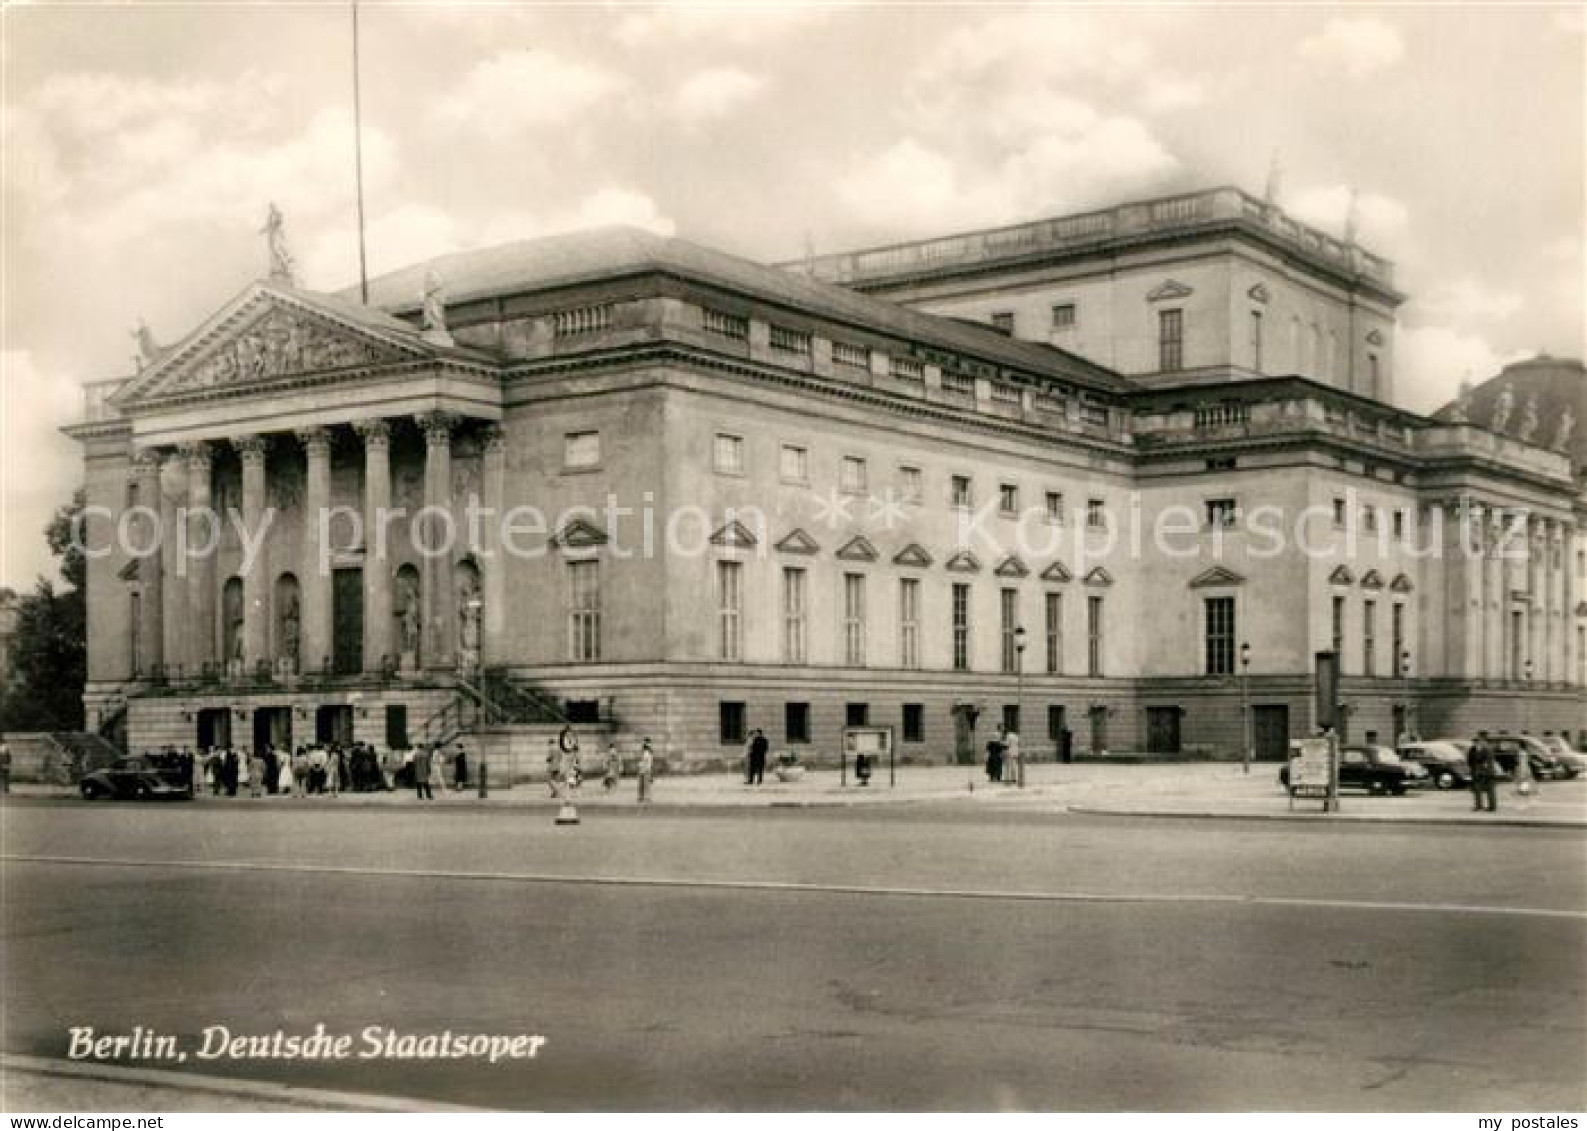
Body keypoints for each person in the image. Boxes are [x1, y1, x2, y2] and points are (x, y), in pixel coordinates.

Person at [1467, 731, 1497, 813]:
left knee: (1486, 789)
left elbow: (1482, 759)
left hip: (1485, 772)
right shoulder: (1488, 747)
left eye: (1479, 738)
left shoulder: (1485, 748)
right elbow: (1470, 760)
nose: (1479, 741)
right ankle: (1486, 806)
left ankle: (1489, 806)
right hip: (1483, 771)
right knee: (1484, 789)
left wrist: (1478, 753)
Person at [637, 738, 654, 804]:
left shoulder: (646, 753)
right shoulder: (646, 753)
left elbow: (648, 762)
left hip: (644, 769)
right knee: (645, 784)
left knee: (643, 784)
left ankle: (642, 797)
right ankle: (644, 797)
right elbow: (647, 762)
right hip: (645, 769)